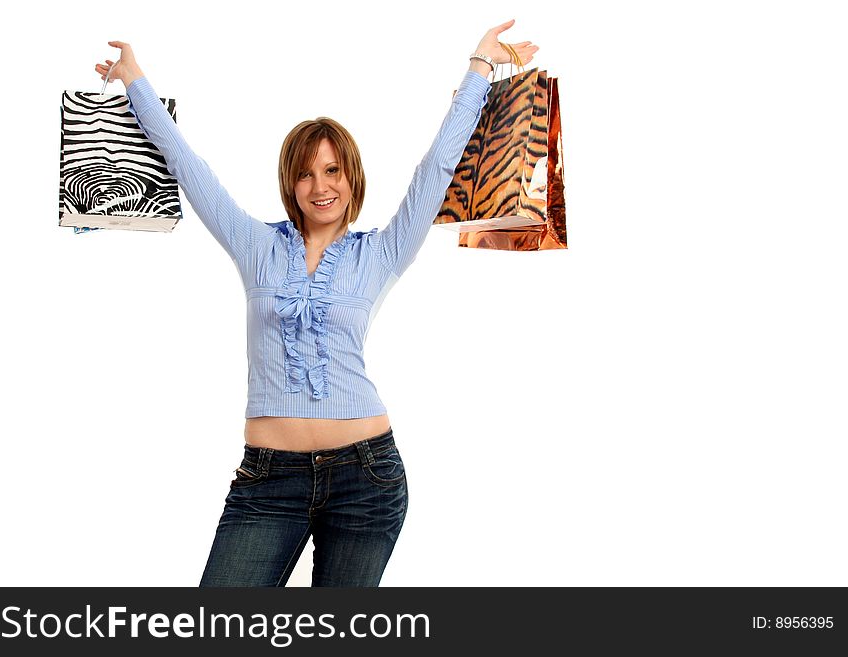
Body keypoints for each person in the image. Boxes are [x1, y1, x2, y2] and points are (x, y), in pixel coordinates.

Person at [95, 20, 538, 587]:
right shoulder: (255, 245)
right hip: (267, 480)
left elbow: (435, 173)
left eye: (331, 170)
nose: (319, 185)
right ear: (290, 182)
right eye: (305, 173)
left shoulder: (381, 253)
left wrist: (479, 66)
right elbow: (192, 171)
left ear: (351, 176)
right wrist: (136, 81)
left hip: (367, 475)